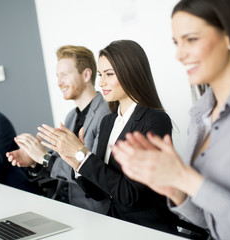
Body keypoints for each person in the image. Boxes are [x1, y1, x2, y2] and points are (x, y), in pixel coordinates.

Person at [112, 0, 230, 240]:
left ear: (229, 36)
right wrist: (175, 190)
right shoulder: (200, 116)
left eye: (191, 39)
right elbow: (211, 222)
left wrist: (185, 178)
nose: (179, 54)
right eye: (176, 43)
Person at [37, 40, 183, 234]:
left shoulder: (154, 120)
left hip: (147, 229)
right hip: (114, 225)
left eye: (109, 74)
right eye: (100, 75)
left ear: (130, 72)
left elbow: (130, 195)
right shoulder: (108, 122)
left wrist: (82, 155)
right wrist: (76, 163)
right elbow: (98, 193)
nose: (101, 83)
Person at [7, 45, 111, 213]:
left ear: (86, 75)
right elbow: (57, 165)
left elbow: (91, 171)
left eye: (64, 75)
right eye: (57, 76)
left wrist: (45, 157)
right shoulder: (71, 116)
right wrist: (34, 160)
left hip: (93, 211)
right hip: (66, 206)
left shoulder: (106, 114)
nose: (59, 82)